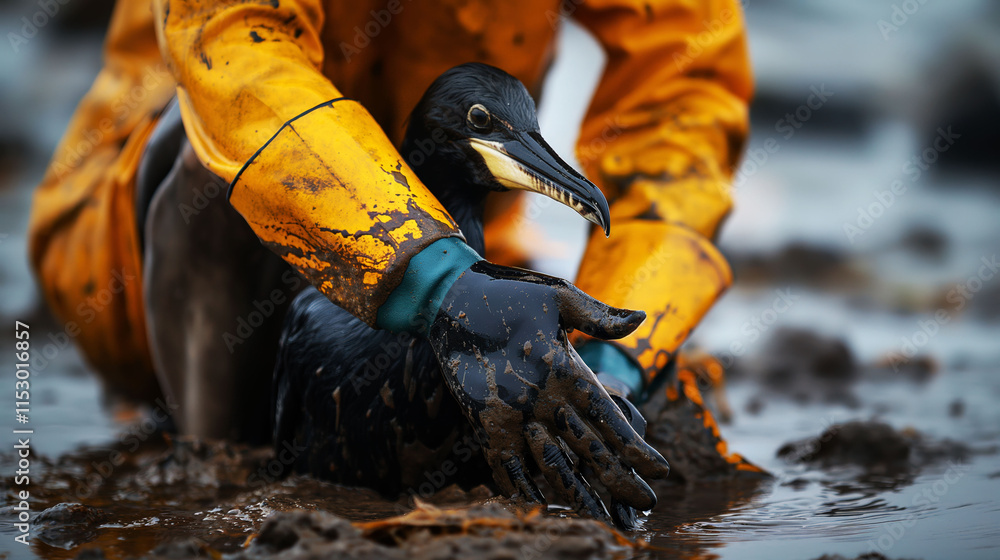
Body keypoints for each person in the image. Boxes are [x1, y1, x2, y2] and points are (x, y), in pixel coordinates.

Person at [29, 0, 758, 512]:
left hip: (450, 245)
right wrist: (437, 281)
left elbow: (682, 94)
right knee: (206, 162)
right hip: (158, 265)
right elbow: (235, 55)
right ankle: (218, 477)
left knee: (540, 354)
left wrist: (618, 357)